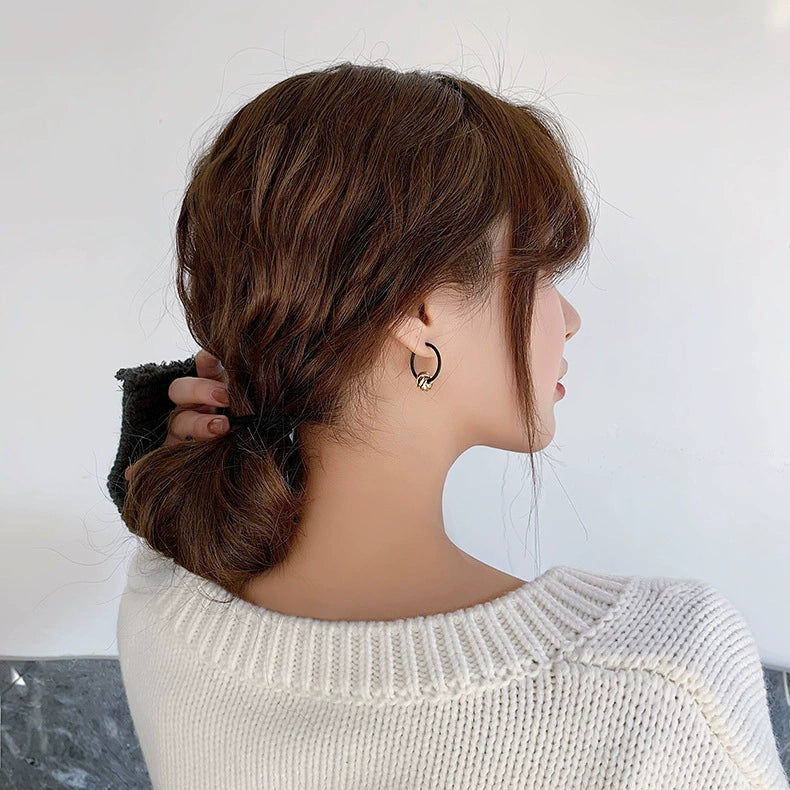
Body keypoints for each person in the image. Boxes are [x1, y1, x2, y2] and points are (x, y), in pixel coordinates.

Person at [109, 62, 788, 789]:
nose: (569, 319)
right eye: (541, 272)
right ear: (420, 310)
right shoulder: (657, 685)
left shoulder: (163, 598)